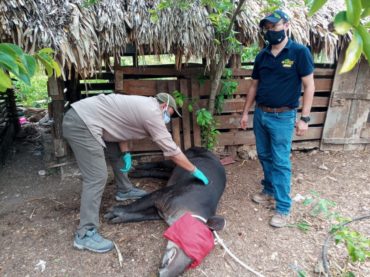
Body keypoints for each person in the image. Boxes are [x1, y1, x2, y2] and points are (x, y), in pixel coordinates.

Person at [62, 92, 209, 253]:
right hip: (82, 123)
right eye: (169, 115)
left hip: (88, 118)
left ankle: (124, 190)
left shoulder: (141, 106)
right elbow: (172, 150)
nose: (167, 120)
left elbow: (119, 129)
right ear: (164, 106)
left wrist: (125, 153)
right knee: (96, 177)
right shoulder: (152, 113)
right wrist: (194, 170)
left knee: (116, 154)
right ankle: (85, 234)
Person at [240, 10, 315, 228]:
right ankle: (269, 189)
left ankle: (283, 207)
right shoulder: (262, 56)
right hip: (261, 114)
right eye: (267, 28)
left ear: (287, 25)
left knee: (281, 161)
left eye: (275, 26)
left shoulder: (299, 52)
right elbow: (254, 85)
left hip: (283, 116)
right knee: (264, 155)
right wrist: (246, 112)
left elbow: (309, 85)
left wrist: (305, 118)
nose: (271, 31)